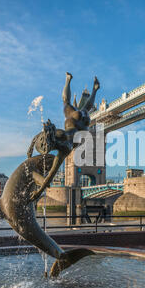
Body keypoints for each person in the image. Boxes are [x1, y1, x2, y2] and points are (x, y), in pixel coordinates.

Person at [27, 72, 100, 202]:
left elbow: (50, 175)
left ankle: (90, 87)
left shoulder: (65, 149)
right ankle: (69, 80)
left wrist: (39, 192)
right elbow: (44, 133)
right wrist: (30, 148)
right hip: (75, 121)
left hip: (82, 125)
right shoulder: (59, 134)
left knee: (85, 107)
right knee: (68, 102)